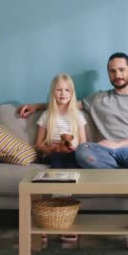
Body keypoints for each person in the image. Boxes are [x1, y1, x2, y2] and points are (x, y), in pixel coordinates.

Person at [19, 53, 128, 250]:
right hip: (103, 155)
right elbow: (65, 104)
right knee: (83, 150)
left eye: (121, 70)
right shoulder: (99, 98)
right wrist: (36, 106)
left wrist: (117, 144)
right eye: (112, 71)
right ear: (108, 73)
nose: (117, 74)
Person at [34, 73, 86, 244]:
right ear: (53, 93)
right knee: (57, 165)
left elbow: (84, 144)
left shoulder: (77, 115)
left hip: (72, 153)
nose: (63, 93)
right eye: (59, 90)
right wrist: (51, 147)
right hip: (53, 153)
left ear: (72, 93)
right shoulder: (47, 115)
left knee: (73, 166)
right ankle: (51, 216)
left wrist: (73, 147)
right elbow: (39, 144)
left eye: (67, 90)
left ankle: (66, 216)